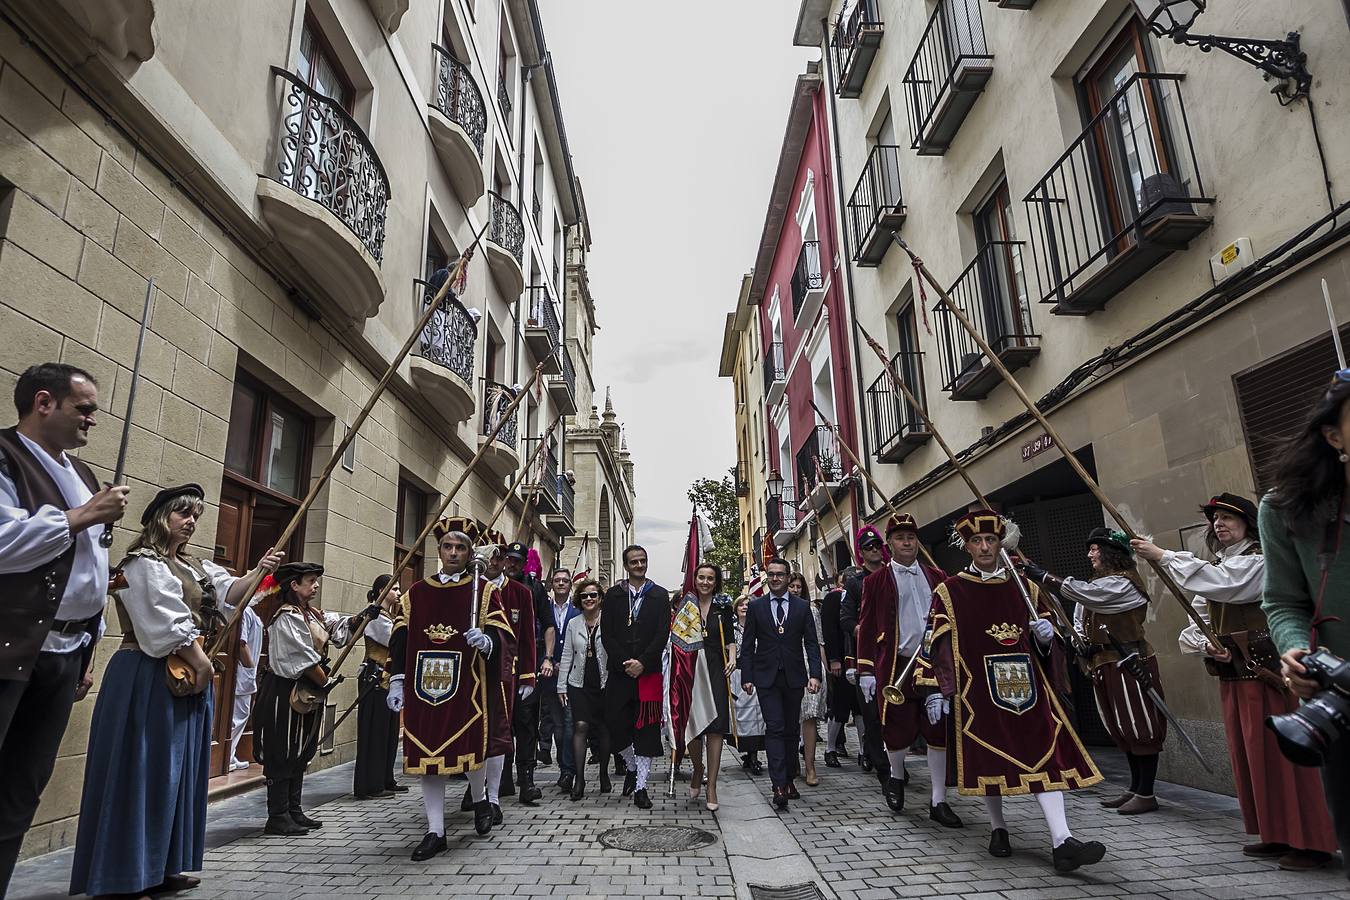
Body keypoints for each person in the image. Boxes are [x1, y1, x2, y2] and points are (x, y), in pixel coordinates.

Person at [68, 484, 282, 897]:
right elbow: (159, 626)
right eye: (183, 513)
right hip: (148, 675)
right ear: (159, 517)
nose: (191, 522)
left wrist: (259, 571)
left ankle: (163, 865)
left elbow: (229, 595)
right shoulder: (142, 564)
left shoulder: (192, 566)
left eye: (196, 516)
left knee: (176, 774)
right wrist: (202, 665)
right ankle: (126, 874)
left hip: (181, 676)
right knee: (143, 770)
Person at [1134, 493, 1338, 870]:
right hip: (1237, 676)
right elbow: (1203, 612)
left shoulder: (1258, 562)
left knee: (1284, 760)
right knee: (1253, 760)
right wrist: (1212, 646)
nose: (1219, 524)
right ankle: (1276, 832)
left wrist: (1163, 556)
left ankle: (1313, 843)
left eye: (1229, 517)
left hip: (1272, 680)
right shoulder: (1223, 564)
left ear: (1249, 523)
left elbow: (1225, 584)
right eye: (1215, 519)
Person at [0, 363, 130, 896]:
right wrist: (80, 516)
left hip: (65, 652)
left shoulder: (82, 474)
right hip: (11, 648)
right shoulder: (6, 457)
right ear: (44, 403)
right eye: (85, 408)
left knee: (22, 790)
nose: (92, 420)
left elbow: (89, 571)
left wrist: (89, 645)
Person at [927, 509, 1105, 873]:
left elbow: (1048, 643)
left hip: (1028, 688)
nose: (984, 547)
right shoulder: (949, 591)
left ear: (999, 542)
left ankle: (1062, 840)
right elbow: (940, 645)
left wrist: (1044, 638)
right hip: (977, 691)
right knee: (990, 759)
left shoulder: (1025, 587)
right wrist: (943, 689)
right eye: (976, 541)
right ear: (967, 546)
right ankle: (998, 828)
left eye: (990, 540)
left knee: (1047, 754)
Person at [1261, 375, 1350, 874]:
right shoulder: (1286, 511)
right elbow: (1283, 601)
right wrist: (1294, 648)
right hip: (1344, 704)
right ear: (1334, 436)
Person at [387, 521, 512, 859]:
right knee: (427, 759)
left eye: (460, 548)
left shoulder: (484, 590)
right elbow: (400, 637)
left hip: (468, 687)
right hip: (424, 688)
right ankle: (435, 830)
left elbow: (503, 637)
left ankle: (481, 798)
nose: (454, 553)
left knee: (472, 750)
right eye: (448, 547)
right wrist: (396, 679)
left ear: (470, 552)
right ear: (439, 551)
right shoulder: (417, 593)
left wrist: (487, 643)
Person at [1020, 528, 1167, 815]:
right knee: (1120, 727)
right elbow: (1081, 614)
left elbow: (1089, 595)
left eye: (1095, 550)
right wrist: (1082, 643)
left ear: (1112, 553)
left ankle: (1147, 793)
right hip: (1104, 664)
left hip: (1130, 663)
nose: (1089, 555)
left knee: (1139, 726)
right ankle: (1135, 788)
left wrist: (1044, 577)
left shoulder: (1124, 584)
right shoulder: (1099, 584)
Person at [857, 515, 959, 826]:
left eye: (911, 537)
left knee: (937, 730)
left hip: (931, 665)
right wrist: (864, 670)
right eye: (900, 537)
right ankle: (896, 778)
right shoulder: (876, 581)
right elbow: (866, 625)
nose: (907, 542)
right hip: (896, 665)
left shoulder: (937, 575)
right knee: (896, 730)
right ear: (889, 544)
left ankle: (938, 799)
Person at [252, 562, 361, 836]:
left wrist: (359, 620)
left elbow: (334, 631)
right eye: (311, 581)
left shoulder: (310, 613)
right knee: (283, 749)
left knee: (300, 749)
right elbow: (302, 657)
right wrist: (324, 680)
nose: (316, 586)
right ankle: (277, 816)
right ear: (294, 585)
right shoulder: (286, 617)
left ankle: (294, 810)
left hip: (306, 691)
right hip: (285, 690)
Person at [739, 558, 822, 810]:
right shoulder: (757, 607)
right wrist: (747, 676)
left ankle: (789, 778)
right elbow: (747, 645)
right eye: (771, 575)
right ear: (767, 578)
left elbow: (811, 643)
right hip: (766, 678)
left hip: (794, 677)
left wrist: (815, 674)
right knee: (774, 727)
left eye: (780, 575)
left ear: (788, 577)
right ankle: (778, 785)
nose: (775, 578)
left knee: (789, 730)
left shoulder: (801, 606)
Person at [601, 545, 671, 809]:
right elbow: (606, 634)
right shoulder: (613, 596)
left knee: (646, 730)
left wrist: (643, 662)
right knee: (614, 724)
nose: (639, 565)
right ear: (626, 565)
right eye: (634, 562)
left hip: (647, 672)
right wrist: (625, 663)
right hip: (620, 673)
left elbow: (662, 634)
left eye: (642, 561)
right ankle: (630, 765)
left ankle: (641, 786)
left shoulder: (660, 595)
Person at [672, 562, 736, 811]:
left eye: (710, 578)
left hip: (716, 669)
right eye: (701, 577)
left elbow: (730, 639)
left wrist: (732, 657)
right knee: (693, 724)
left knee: (716, 728)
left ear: (716, 581)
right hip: (691, 671)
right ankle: (697, 768)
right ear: (694, 579)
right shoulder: (684, 605)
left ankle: (712, 785)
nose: (705, 582)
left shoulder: (723, 607)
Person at [840, 526, 889, 782]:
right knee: (871, 714)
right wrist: (861, 629)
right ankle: (880, 763)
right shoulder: (855, 583)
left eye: (877, 546)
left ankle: (896, 760)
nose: (874, 550)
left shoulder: (893, 576)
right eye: (868, 547)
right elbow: (845, 619)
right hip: (868, 656)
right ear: (861, 553)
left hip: (894, 653)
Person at [504, 541, 551, 806]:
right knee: (500, 724)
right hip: (498, 664)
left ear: (524, 564)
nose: (512, 564)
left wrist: (546, 657)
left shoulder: (533, 588)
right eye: (509, 559)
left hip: (526, 664)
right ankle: (499, 779)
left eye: (517, 561)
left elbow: (548, 624)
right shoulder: (492, 587)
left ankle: (527, 780)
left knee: (526, 724)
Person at [556, 578, 611, 800]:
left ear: (600, 599)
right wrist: (561, 685)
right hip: (578, 682)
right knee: (580, 726)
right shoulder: (573, 623)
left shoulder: (608, 621)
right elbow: (567, 655)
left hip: (604, 682)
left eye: (593, 595)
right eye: (585, 596)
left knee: (604, 729)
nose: (589, 599)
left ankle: (604, 773)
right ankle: (579, 778)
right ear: (579, 599)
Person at [353, 574, 404, 800]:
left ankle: (385, 778)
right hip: (374, 679)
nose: (399, 593)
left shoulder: (388, 616)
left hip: (387, 680)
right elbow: (392, 641)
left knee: (389, 732)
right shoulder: (374, 617)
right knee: (375, 732)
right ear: (382, 590)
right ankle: (370, 784)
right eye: (395, 589)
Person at [539, 567, 578, 790]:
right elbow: (538, 636)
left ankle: (568, 770)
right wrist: (549, 662)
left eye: (565, 580)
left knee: (570, 724)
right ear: (551, 585)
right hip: (550, 677)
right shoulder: (545, 609)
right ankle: (565, 768)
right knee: (558, 726)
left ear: (571, 584)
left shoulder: (578, 609)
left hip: (573, 676)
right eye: (557, 580)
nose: (561, 583)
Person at [788, 573, 825, 789]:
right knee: (792, 716)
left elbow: (818, 641)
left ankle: (810, 766)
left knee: (810, 717)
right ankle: (792, 761)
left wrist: (822, 671)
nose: (794, 589)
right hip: (789, 666)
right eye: (791, 586)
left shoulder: (811, 610)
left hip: (810, 665)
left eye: (798, 586)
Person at [820, 569, 859, 769]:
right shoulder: (833, 599)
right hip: (842, 660)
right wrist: (834, 659)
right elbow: (830, 630)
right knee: (840, 707)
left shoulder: (863, 595)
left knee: (860, 709)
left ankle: (864, 750)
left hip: (862, 658)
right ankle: (830, 748)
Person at [730, 593, 765, 774]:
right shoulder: (731, 628)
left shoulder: (760, 626)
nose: (745, 607)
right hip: (737, 674)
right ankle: (744, 751)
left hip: (757, 673)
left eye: (748, 604)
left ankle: (754, 756)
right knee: (741, 717)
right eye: (741, 604)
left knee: (757, 718)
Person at [228, 603, 263, 771]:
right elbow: (241, 643)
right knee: (237, 716)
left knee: (240, 715)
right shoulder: (245, 611)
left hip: (246, 674)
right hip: (243, 673)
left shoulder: (250, 612)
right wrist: (250, 667)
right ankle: (227, 757)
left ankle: (231, 754)